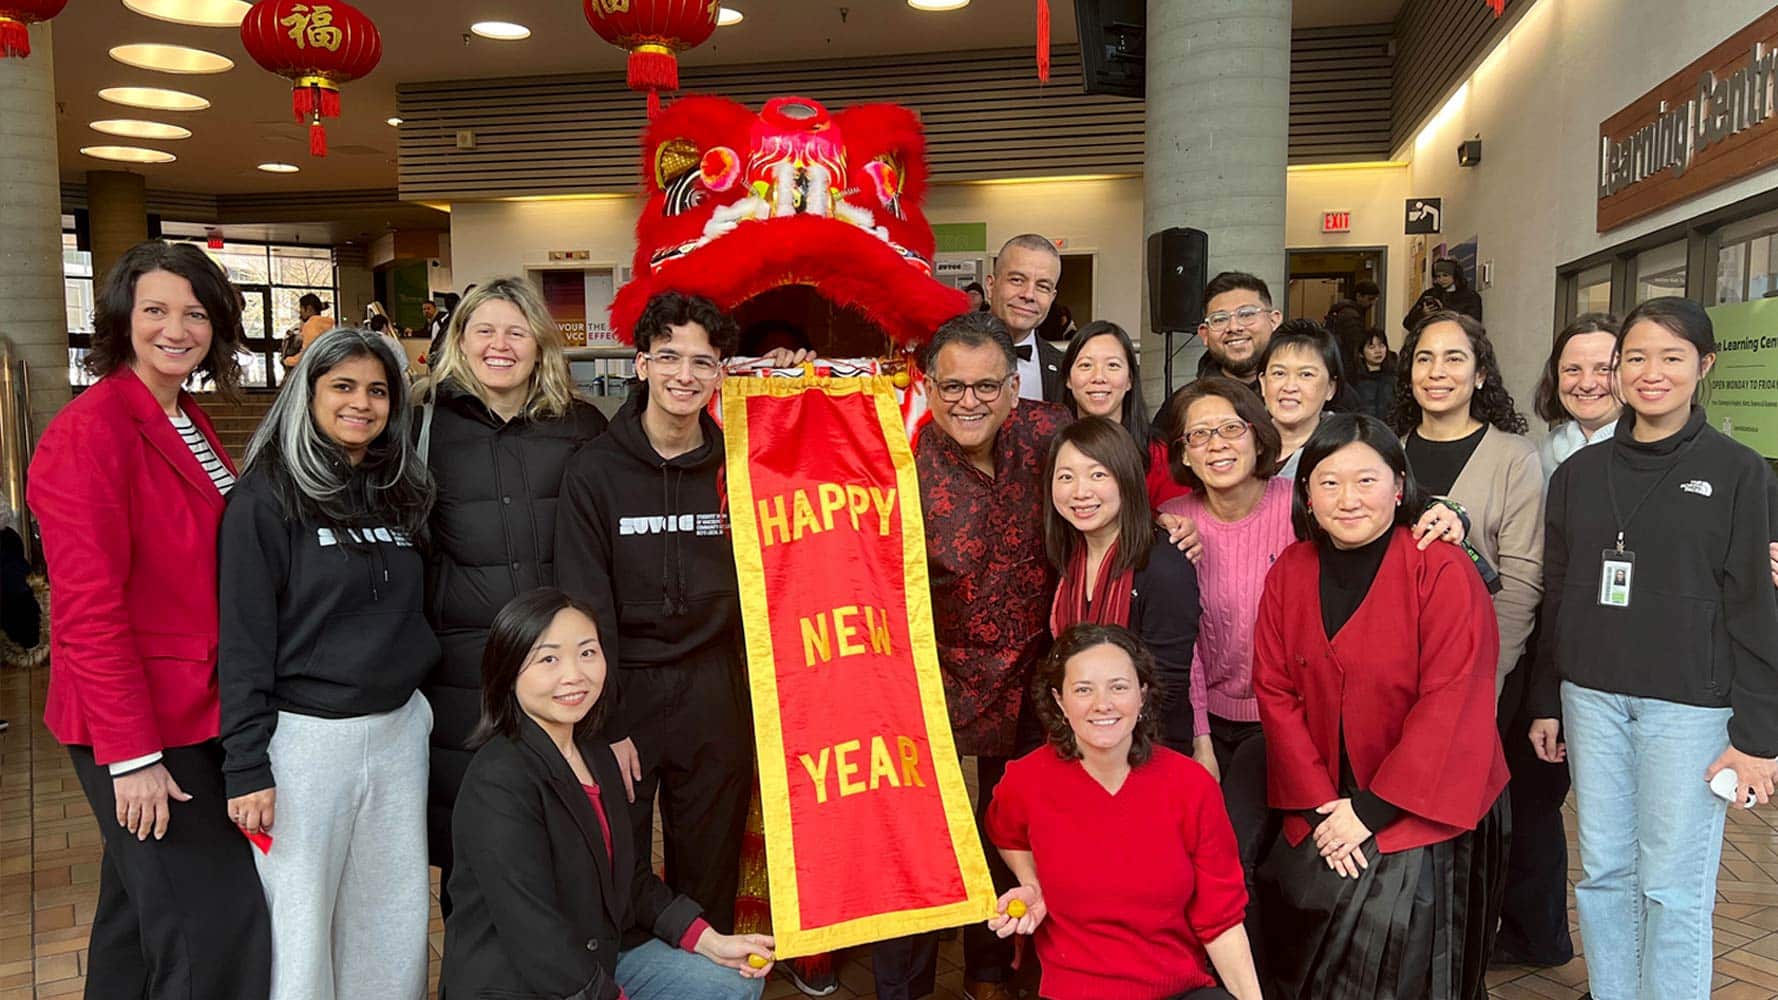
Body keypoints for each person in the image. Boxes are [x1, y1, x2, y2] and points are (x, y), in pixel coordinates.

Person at [28, 239, 272, 999]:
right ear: (120, 319)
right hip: (140, 726)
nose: (177, 328)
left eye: (196, 313)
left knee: (138, 921)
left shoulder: (182, 415)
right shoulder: (90, 429)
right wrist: (131, 757)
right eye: (156, 310)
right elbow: (88, 610)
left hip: (198, 709)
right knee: (216, 929)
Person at [1159, 378, 1466, 966]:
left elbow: (1383, 508)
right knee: (1207, 855)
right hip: (1218, 721)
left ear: (1258, 435)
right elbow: (1187, 645)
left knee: (1258, 856)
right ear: (1183, 450)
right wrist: (1199, 738)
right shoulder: (1173, 521)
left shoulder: (1300, 510)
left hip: (1291, 730)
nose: (1217, 444)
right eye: (1199, 434)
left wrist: (1452, 514)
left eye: (1231, 428)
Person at [1528, 297, 1778, 1000]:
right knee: (1603, 875)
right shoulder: (1579, 474)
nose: (1651, 372)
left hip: (1691, 710)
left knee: (1673, 885)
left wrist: (1758, 737)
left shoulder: (1740, 472)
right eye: (1635, 357)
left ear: (1705, 365)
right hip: (1592, 700)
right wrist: (1547, 696)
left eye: (1671, 357)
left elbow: (1756, 607)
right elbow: (1559, 593)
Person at [1254, 413, 1509, 1000]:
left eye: (1366, 480)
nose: (1348, 499)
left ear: (1399, 488)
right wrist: (1323, 803)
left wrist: (1369, 812)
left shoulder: (1441, 567)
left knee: (1396, 946)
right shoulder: (1290, 572)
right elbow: (1275, 690)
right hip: (1322, 793)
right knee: (1292, 909)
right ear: (1307, 496)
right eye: (1329, 482)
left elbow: (1454, 696)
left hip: (1426, 796)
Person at [218, 326, 437, 1000]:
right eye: (343, 386)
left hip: (397, 732)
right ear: (306, 392)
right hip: (306, 742)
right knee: (302, 922)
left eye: (377, 391)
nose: (362, 404)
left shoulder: (398, 487)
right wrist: (246, 763)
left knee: (391, 915)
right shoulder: (264, 497)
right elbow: (243, 640)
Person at [442, 588, 774, 1000]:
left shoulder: (595, 752)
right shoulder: (497, 782)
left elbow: (631, 879)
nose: (574, 675)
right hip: (519, 982)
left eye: (587, 653)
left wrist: (708, 940)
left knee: (729, 982)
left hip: (597, 956)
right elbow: (535, 933)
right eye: (548, 659)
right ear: (509, 672)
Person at [874, 309, 1070, 1000]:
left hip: (1038, 683)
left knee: (1010, 836)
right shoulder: (897, 465)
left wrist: (1165, 519)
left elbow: (1114, 484)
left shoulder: (1052, 436)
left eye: (985, 387)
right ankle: (908, 988)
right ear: (928, 388)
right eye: (952, 387)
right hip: (935, 686)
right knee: (919, 851)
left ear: (1014, 389)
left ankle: (992, 974)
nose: (969, 402)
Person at [555, 291, 754, 938]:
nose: (685, 376)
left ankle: (715, 979)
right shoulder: (595, 471)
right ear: (640, 364)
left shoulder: (742, 465)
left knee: (711, 860)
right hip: (627, 690)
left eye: (703, 362)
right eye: (669, 357)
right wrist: (602, 719)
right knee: (621, 861)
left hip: (714, 689)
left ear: (721, 372)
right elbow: (585, 606)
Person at [417, 277, 610, 906]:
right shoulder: (421, 425)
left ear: (539, 344)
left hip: (562, 671)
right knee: (473, 849)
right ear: (461, 341)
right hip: (462, 672)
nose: (500, 345)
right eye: (484, 330)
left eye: (516, 331)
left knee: (569, 835)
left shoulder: (578, 424)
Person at [985, 624, 1262, 1000]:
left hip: (1177, 990)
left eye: (1119, 686)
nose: (1103, 703)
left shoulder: (1191, 786)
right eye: (1084, 689)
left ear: (1142, 696)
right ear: (1060, 701)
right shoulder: (1026, 781)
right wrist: (1032, 881)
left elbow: (1222, 920)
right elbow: (1004, 831)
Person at [1391, 311, 1542, 695]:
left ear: (1480, 375)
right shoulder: (1386, 453)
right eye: (1424, 358)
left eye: (1454, 358)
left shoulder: (1514, 458)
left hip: (1479, 666)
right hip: (1395, 665)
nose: (1436, 372)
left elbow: (1522, 582)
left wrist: (1488, 675)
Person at [1044, 416, 1201, 749]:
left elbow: (1167, 685)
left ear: (1126, 480)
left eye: (1098, 474)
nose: (1080, 492)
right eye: (1066, 477)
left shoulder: (1163, 563)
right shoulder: (1064, 558)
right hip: (1076, 742)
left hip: (1149, 747)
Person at [1056, 320, 1181, 507]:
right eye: (1085, 365)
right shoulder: (1051, 448)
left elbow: (1175, 522)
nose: (1099, 377)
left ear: (1130, 379)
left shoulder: (1158, 454)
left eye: (1113, 365)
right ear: (1068, 379)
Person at [1532, 312, 1622, 483]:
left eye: (1604, 369)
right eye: (1572, 370)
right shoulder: (1548, 450)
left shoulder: (1651, 452)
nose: (1586, 384)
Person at [1258, 319, 1350, 481]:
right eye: (1279, 373)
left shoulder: (1347, 450)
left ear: (1330, 388)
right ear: (1263, 383)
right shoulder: (1241, 445)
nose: (1290, 386)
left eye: (1306, 374)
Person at [985, 233, 1065, 402]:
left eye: (1042, 287)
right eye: (1017, 280)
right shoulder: (945, 354)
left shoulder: (1064, 369)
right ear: (991, 286)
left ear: (1052, 297)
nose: (1029, 295)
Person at [1195, 271, 1280, 395]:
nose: (1234, 327)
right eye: (1220, 319)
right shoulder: (1187, 405)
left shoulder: (1305, 394)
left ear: (1273, 320)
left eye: (1246, 314)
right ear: (1205, 334)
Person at [1404, 258, 1483, 331]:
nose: (1441, 279)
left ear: (1455, 275)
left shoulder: (1470, 297)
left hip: (1457, 339)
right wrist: (1422, 314)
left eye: (1445, 275)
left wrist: (1444, 311)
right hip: (1432, 338)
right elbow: (1407, 323)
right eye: (1438, 276)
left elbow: (1474, 326)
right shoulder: (1430, 294)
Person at [281, 291, 335, 369]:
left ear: (309, 309)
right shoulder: (327, 326)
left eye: (301, 308)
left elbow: (308, 354)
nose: (300, 312)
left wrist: (288, 361)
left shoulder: (311, 325)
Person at [1352, 328, 1396, 422]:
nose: (1378, 351)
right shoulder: (1354, 382)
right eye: (1372, 347)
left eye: (1381, 346)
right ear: (1361, 353)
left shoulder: (1394, 378)